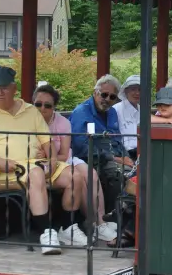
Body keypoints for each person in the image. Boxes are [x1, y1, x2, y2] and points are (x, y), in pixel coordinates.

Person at [0, 66, 86, 255]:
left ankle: (68, 228)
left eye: (4, 87)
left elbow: (46, 140)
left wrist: (54, 158)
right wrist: (0, 161)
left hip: (36, 165)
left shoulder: (30, 110)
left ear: (14, 88)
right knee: (36, 174)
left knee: (75, 175)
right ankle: (46, 233)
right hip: (3, 171)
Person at [33, 84, 114, 243]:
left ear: (54, 107)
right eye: (38, 104)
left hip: (64, 159)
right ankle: (91, 223)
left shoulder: (62, 122)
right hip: (42, 165)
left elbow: (64, 154)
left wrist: (51, 155)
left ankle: (100, 222)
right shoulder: (28, 122)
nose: (42, 108)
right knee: (79, 179)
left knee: (90, 174)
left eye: (48, 105)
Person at [70, 75, 132, 236]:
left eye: (112, 97)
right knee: (118, 173)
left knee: (136, 172)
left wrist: (127, 157)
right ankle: (105, 220)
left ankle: (125, 220)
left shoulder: (111, 113)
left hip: (111, 157)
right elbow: (81, 146)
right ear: (95, 92)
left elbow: (117, 139)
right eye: (103, 94)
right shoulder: (81, 112)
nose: (107, 99)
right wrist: (114, 158)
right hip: (88, 160)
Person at [113, 75, 141, 160]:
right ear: (126, 91)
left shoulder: (142, 109)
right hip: (124, 154)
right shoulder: (116, 109)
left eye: (140, 90)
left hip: (141, 152)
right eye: (133, 89)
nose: (137, 93)